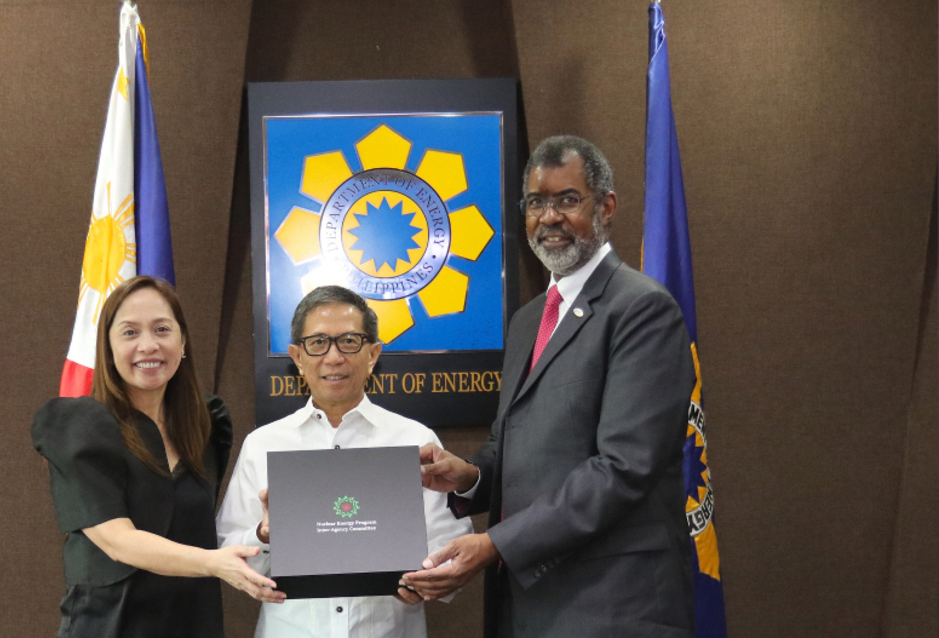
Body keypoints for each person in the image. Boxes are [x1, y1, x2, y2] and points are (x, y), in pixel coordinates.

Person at [403, 136, 697, 637]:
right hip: (528, 606)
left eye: (567, 199)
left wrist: (495, 544)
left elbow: (623, 468)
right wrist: (470, 476)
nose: (549, 217)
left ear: (606, 206)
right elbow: (514, 444)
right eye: (536, 203)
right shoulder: (528, 320)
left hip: (613, 606)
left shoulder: (642, 309)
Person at [32, 275, 284, 638]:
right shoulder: (79, 427)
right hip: (110, 624)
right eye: (130, 332)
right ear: (108, 348)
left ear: (182, 342)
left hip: (193, 619)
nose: (148, 345)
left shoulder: (207, 423)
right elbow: (118, 542)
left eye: (162, 329)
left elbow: (198, 525)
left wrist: (261, 534)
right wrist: (214, 563)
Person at [216, 285, 473, 638]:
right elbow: (229, 553)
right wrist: (264, 534)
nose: (334, 357)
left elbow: (452, 545)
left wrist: (429, 577)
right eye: (318, 343)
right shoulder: (263, 444)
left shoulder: (415, 441)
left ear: (373, 353)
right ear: (296, 356)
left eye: (349, 341)